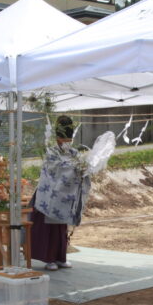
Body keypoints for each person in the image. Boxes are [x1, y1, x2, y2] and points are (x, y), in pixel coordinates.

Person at [31, 115, 88, 271]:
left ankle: (61, 257)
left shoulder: (73, 152)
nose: (66, 142)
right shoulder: (51, 152)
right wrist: (72, 167)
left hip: (64, 196)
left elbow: (80, 167)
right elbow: (55, 169)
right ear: (57, 137)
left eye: (68, 139)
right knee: (49, 228)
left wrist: (84, 168)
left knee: (61, 227)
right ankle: (49, 258)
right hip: (48, 195)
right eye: (63, 139)